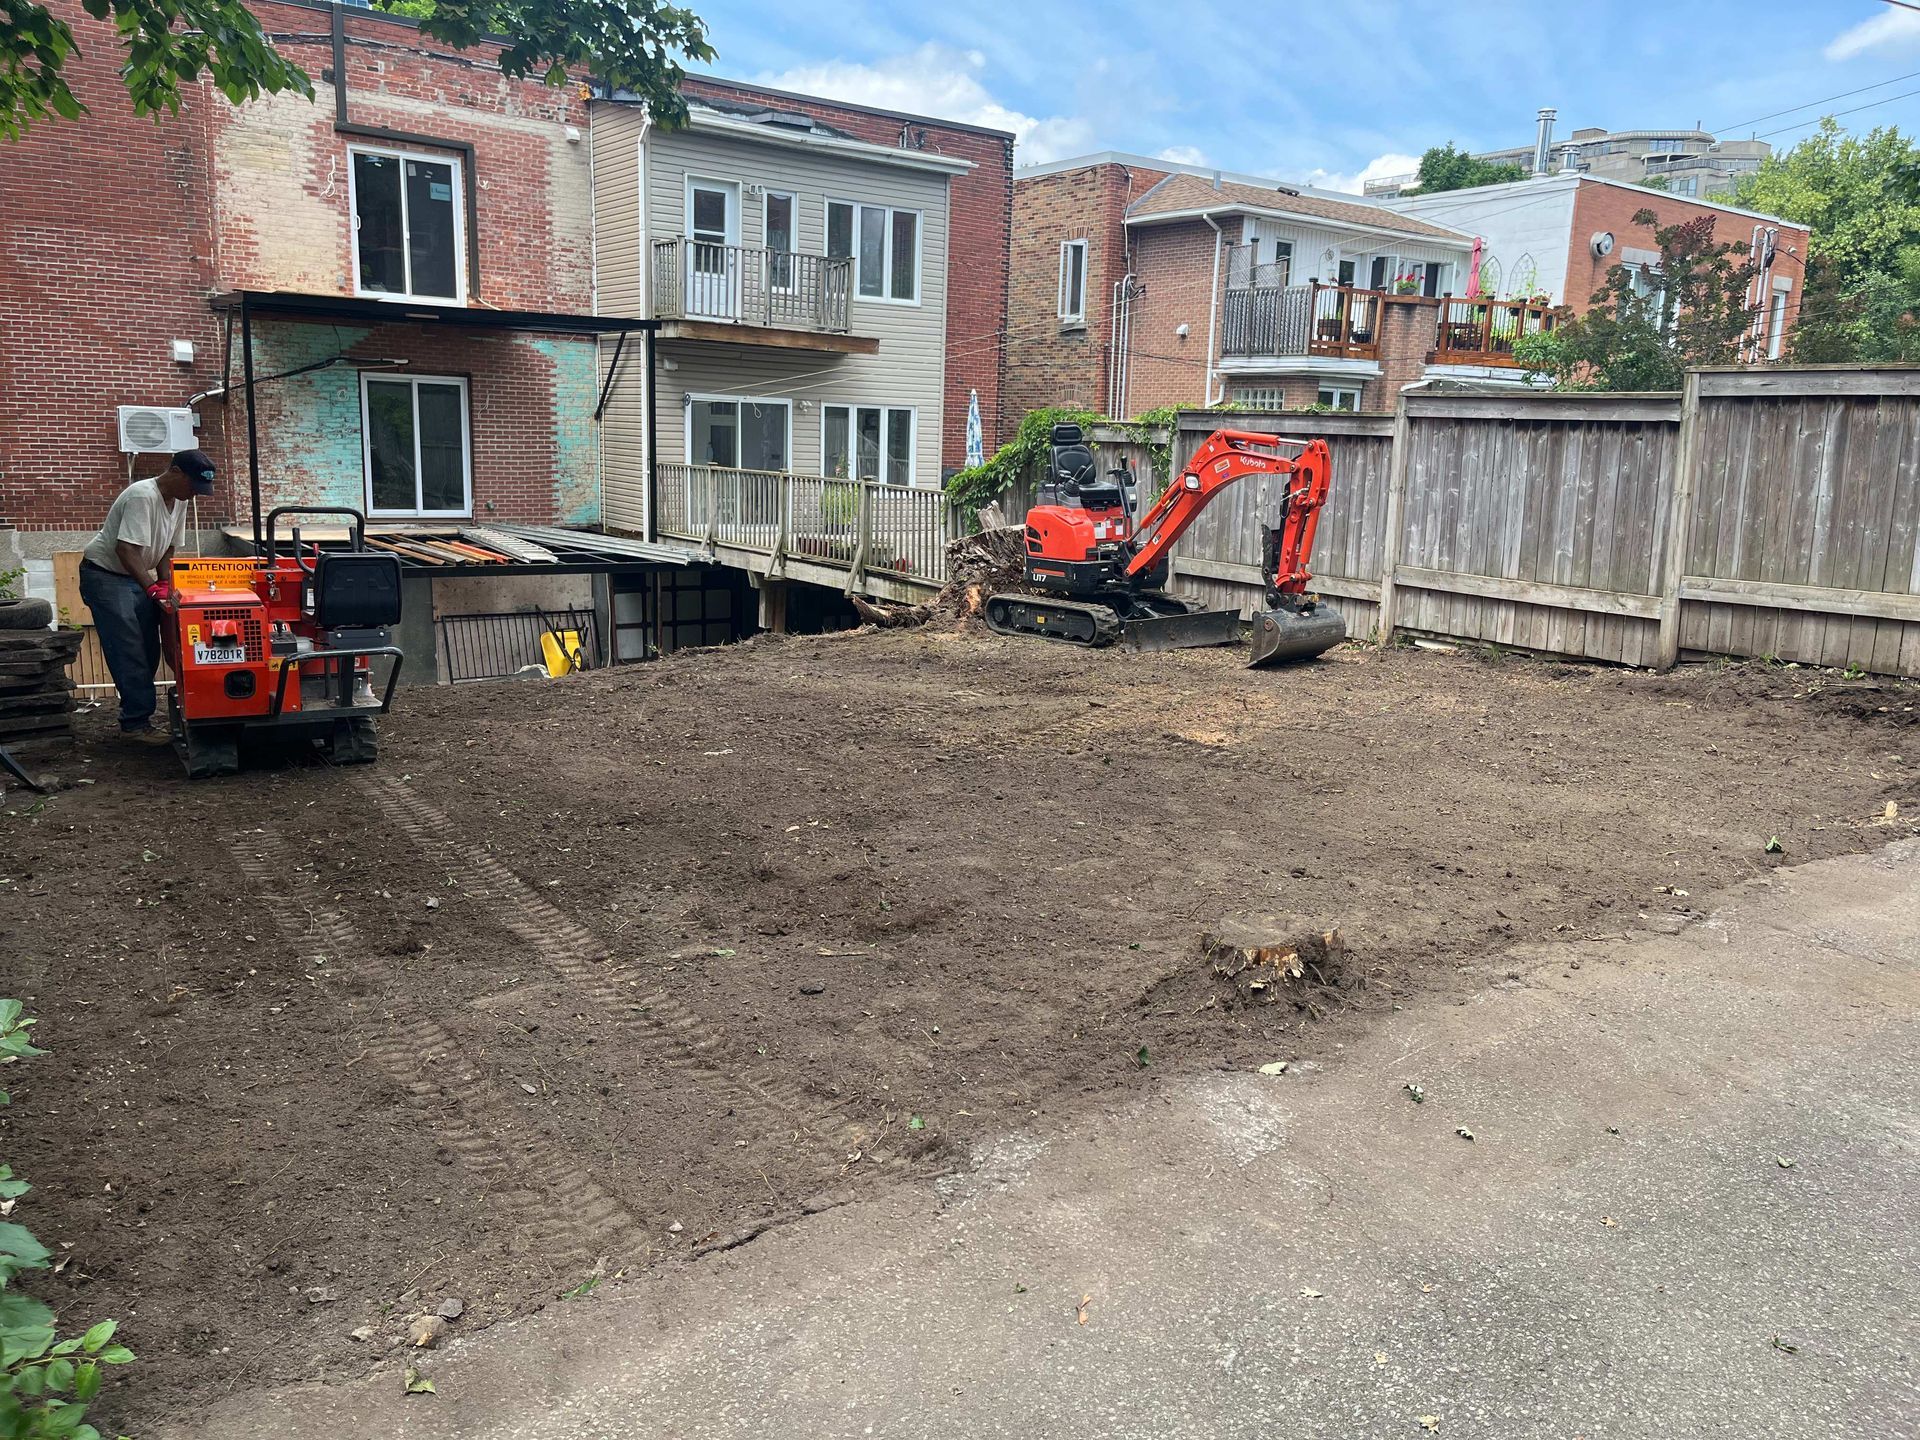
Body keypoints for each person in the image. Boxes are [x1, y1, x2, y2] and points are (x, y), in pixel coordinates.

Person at [78, 450, 216, 744]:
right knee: (128, 648)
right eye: (192, 486)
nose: (194, 494)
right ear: (176, 472)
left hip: (135, 577)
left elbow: (168, 549)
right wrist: (152, 588)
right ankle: (135, 724)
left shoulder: (179, 501)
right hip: (106, 576)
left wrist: (165, 583)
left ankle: (140, 715)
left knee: (149, 647)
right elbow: (125, 550)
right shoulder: (142, 496)